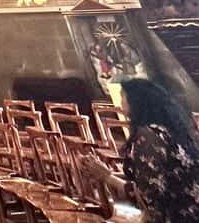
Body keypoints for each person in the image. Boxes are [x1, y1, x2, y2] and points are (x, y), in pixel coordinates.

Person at [83, 79, 199, 222]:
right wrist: (108, 173)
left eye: (122, 96)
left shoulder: (148, 136)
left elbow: (150, 196)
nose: (119, 102)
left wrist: (107, 177)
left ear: (136, 101)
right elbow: (157, 177)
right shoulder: (169, 131)